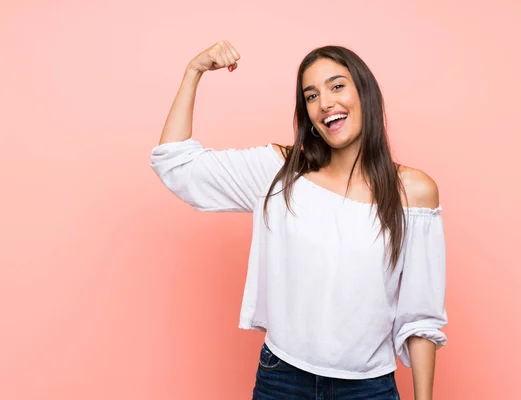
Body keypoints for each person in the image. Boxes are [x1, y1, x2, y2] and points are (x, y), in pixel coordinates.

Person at [150, 40, 448, 400]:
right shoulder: (280, 173)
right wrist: (194, 71)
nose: (325, 103)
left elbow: (420, 317)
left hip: (369, 388)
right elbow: (175, 163)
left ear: (364, 94)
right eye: (311, 96)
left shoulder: (412, 191)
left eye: (337, 86)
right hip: (283, 381)